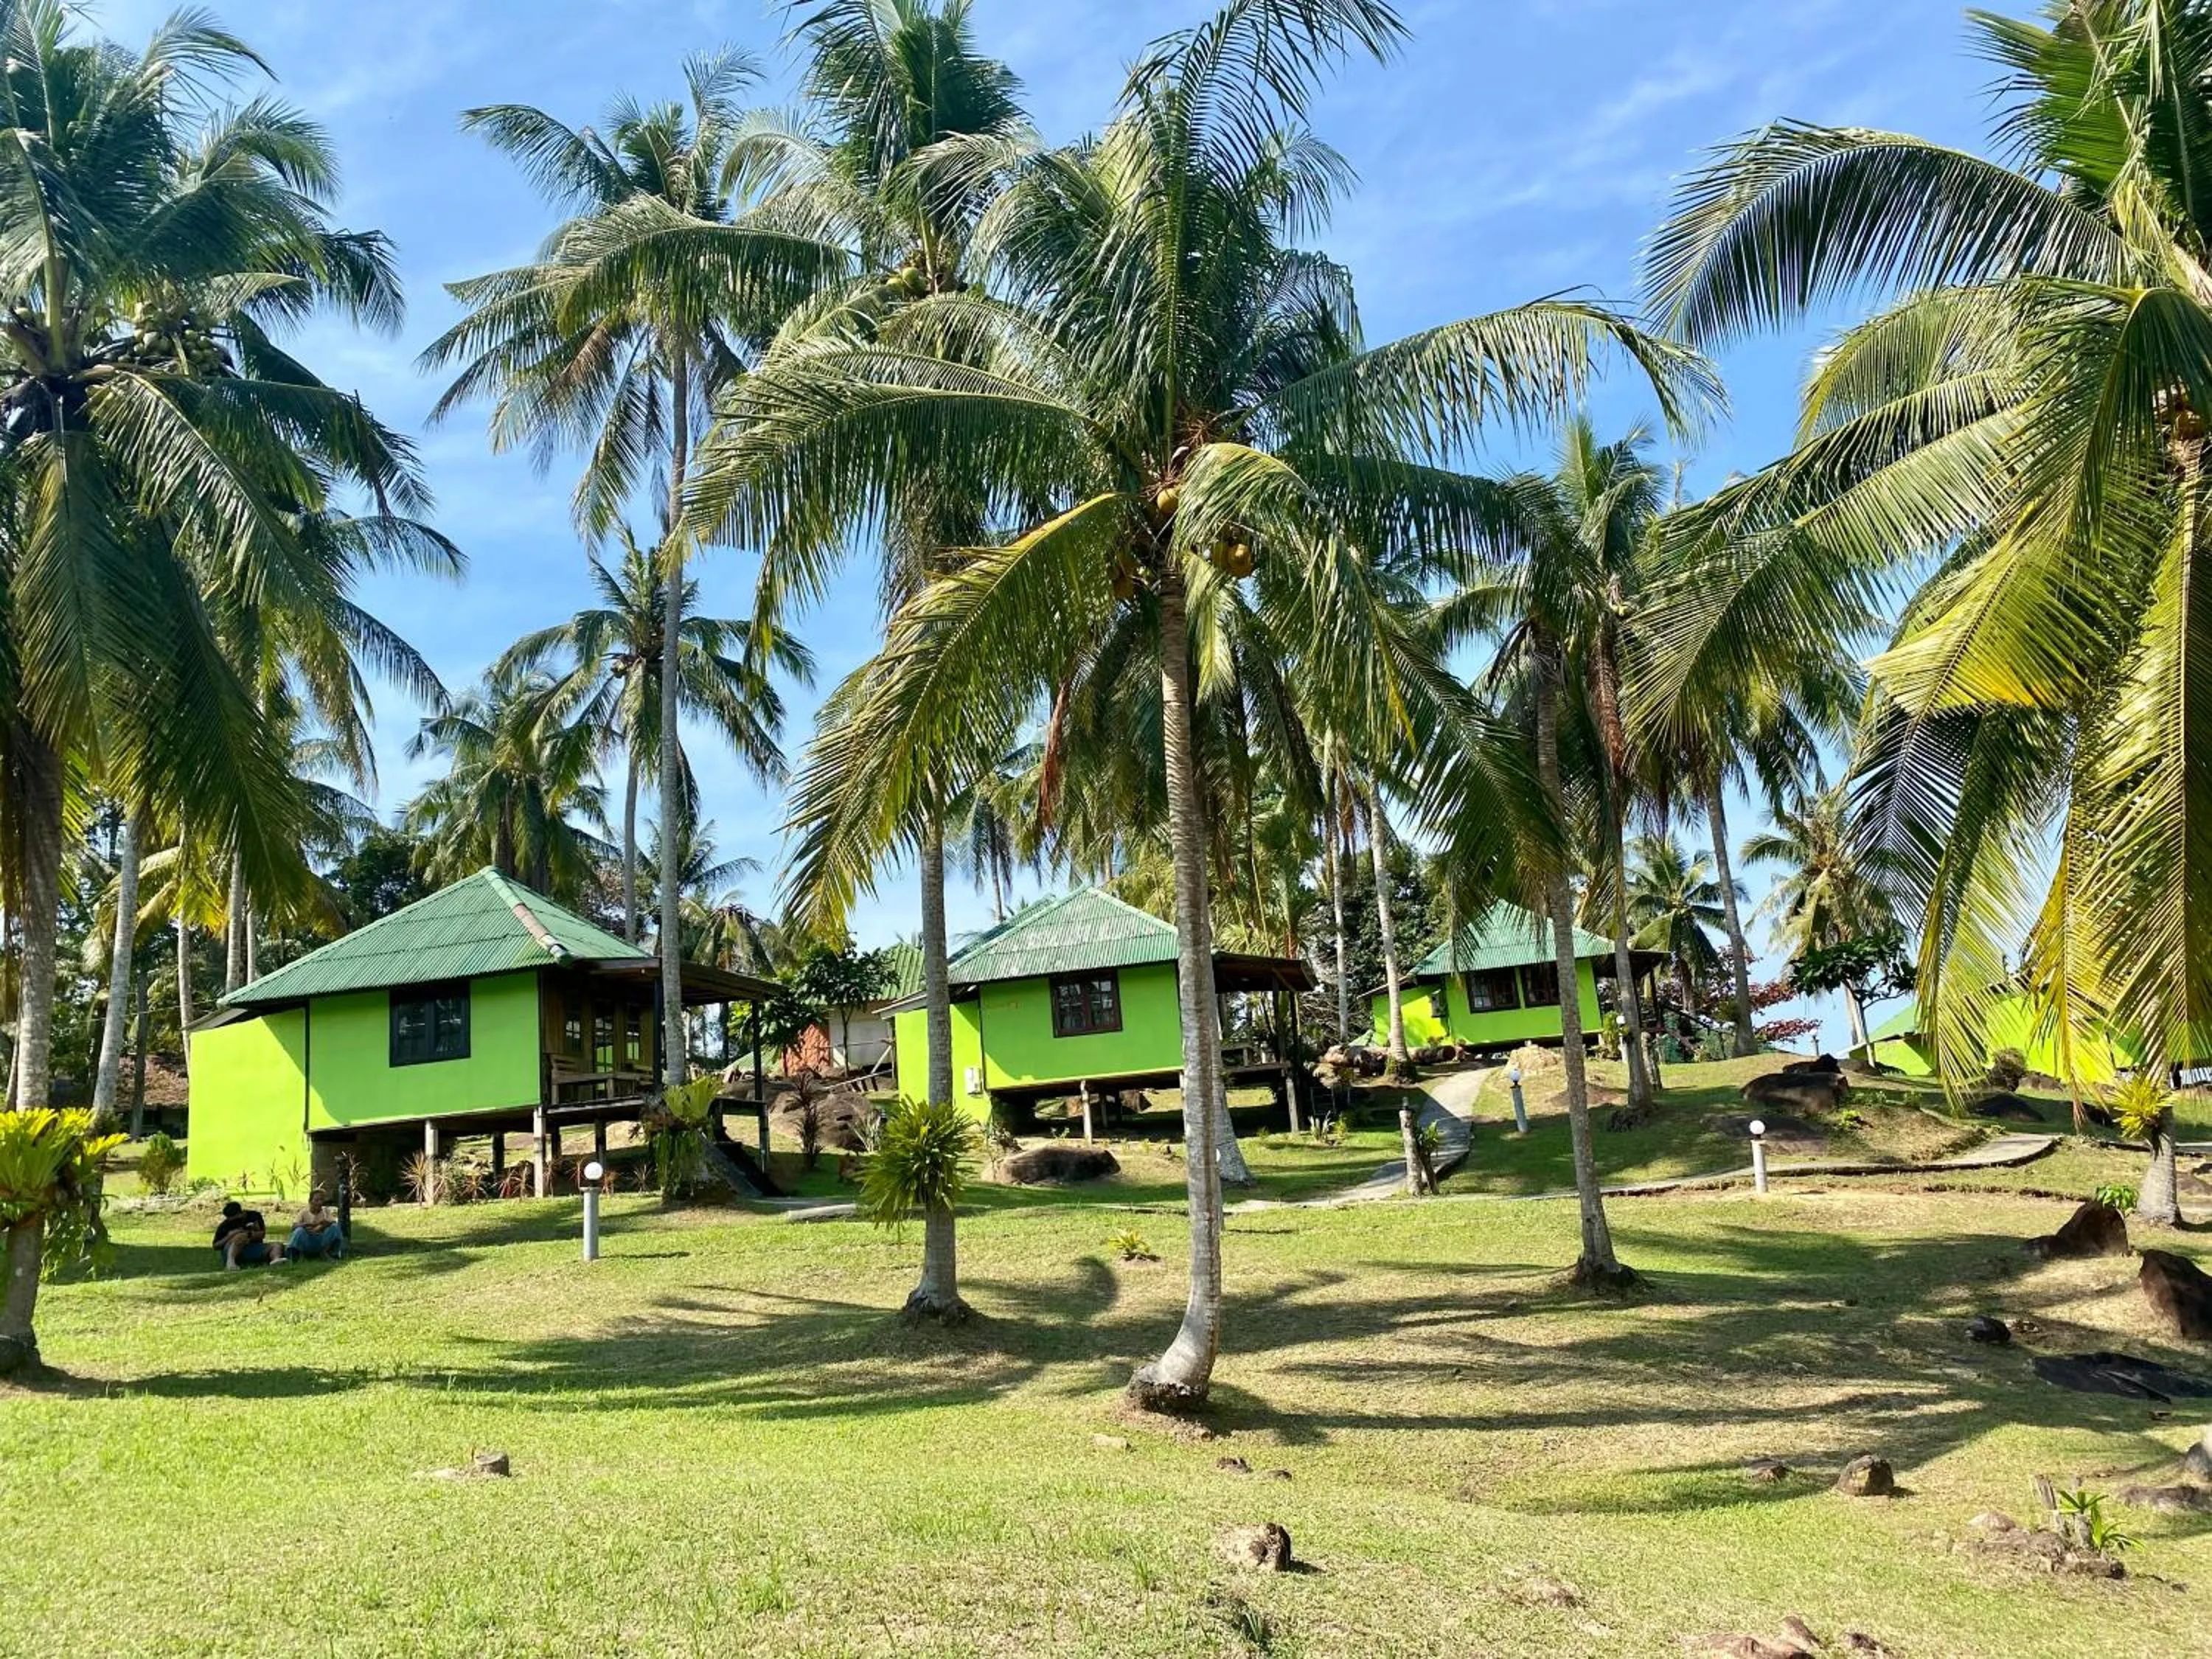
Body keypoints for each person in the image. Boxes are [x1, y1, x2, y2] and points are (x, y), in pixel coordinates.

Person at [212, 1200, 285, 1269]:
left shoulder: (254, 1216)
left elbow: (262, 1234)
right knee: (240, 1236)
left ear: (241, 1213)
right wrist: (231, 1236)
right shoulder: (225, 1225)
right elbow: (216, 1245)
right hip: (231, 1250)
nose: (234, 1221)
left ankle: (276, 1259)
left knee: (277, 1245)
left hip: (253, 1247)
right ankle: (231, 1262)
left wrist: (249, 1234)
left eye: (236, 1219)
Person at [288, 1191, 346, 1260]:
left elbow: (332, 1222)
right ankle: (297, 1255)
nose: (319, 1203)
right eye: (316, 1200)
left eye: (321, 1200)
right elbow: (294, 1226)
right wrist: (306, 1225)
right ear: (310, 1201)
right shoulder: (303, 1212)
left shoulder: (325, 1212)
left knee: (335, 1228)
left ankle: (327, 1253)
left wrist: (321, 1226)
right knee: (299, 1231)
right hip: (307, 1240)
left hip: (321, 1240)